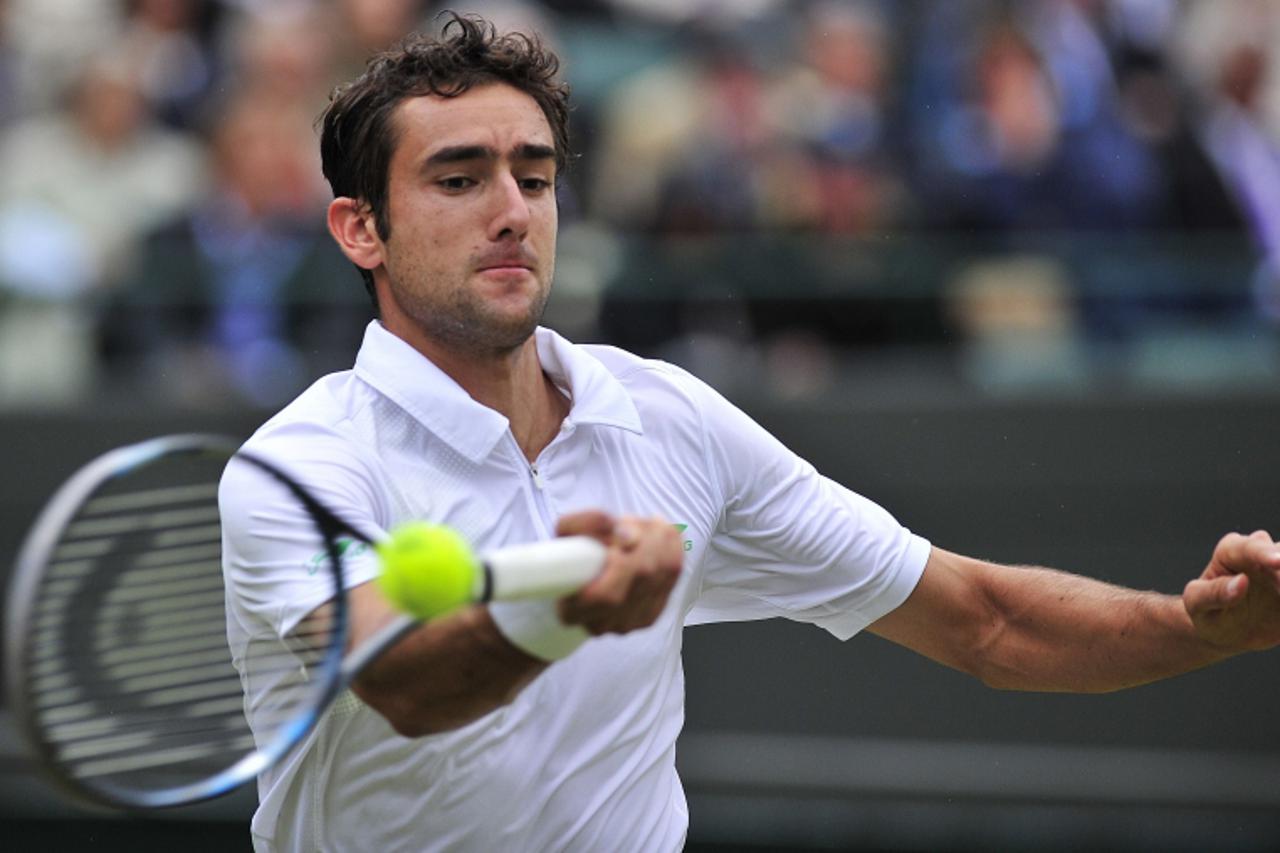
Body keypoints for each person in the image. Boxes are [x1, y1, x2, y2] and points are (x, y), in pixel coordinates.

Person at [219, 14, 1280, 852]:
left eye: (534, 178)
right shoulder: (300, 466)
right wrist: (569, 609)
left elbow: (986, 622)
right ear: (361, 226)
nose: (512, 210)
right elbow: (404, 681)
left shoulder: (668, 419)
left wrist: (1199, 632)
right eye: (458, 179)